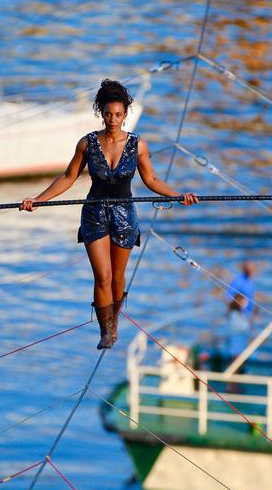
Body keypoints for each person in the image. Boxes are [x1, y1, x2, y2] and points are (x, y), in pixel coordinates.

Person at [20, 78, 198, 349]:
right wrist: (39, 199)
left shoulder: (138, 145)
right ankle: (106, 330)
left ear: (125, 114)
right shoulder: (87, 144)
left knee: (117, 277)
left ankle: (114, 319)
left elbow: (151, 180)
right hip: (94, 214)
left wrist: (177, 195)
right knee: (102, 276)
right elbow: (68, 177)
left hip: (125, 215)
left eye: (118, 115)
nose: (113, 119)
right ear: (100, 113)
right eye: (108, 114)